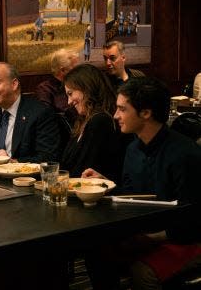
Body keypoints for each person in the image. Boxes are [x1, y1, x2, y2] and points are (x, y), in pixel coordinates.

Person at [83, 77, 201, 290]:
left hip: (186, 239)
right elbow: (135, 196)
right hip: (151, 231)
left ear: (146, 113)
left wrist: (151, 238)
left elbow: (193, 219)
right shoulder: (134, 148)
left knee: (142, 272)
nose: (115, 116)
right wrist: (106, 184)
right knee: (96, 250)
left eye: (122, 109)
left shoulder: (185, 154)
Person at [0, 62, 61, 163]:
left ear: (14, 84)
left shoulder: (40, 113)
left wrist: (12, 161)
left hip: (24, 177)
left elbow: (47, 157)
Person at [60, 64, 121, 178]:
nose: (69, 101)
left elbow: (85, 171)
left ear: (86, 88)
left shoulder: (100, 121)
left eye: (70, 93)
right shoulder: (82, 121)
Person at [34, 48, 79, 128]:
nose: (79, 72)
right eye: (75, 69)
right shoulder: (45, 89)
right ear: (63, 70)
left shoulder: (77, 85)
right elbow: (46, 118)